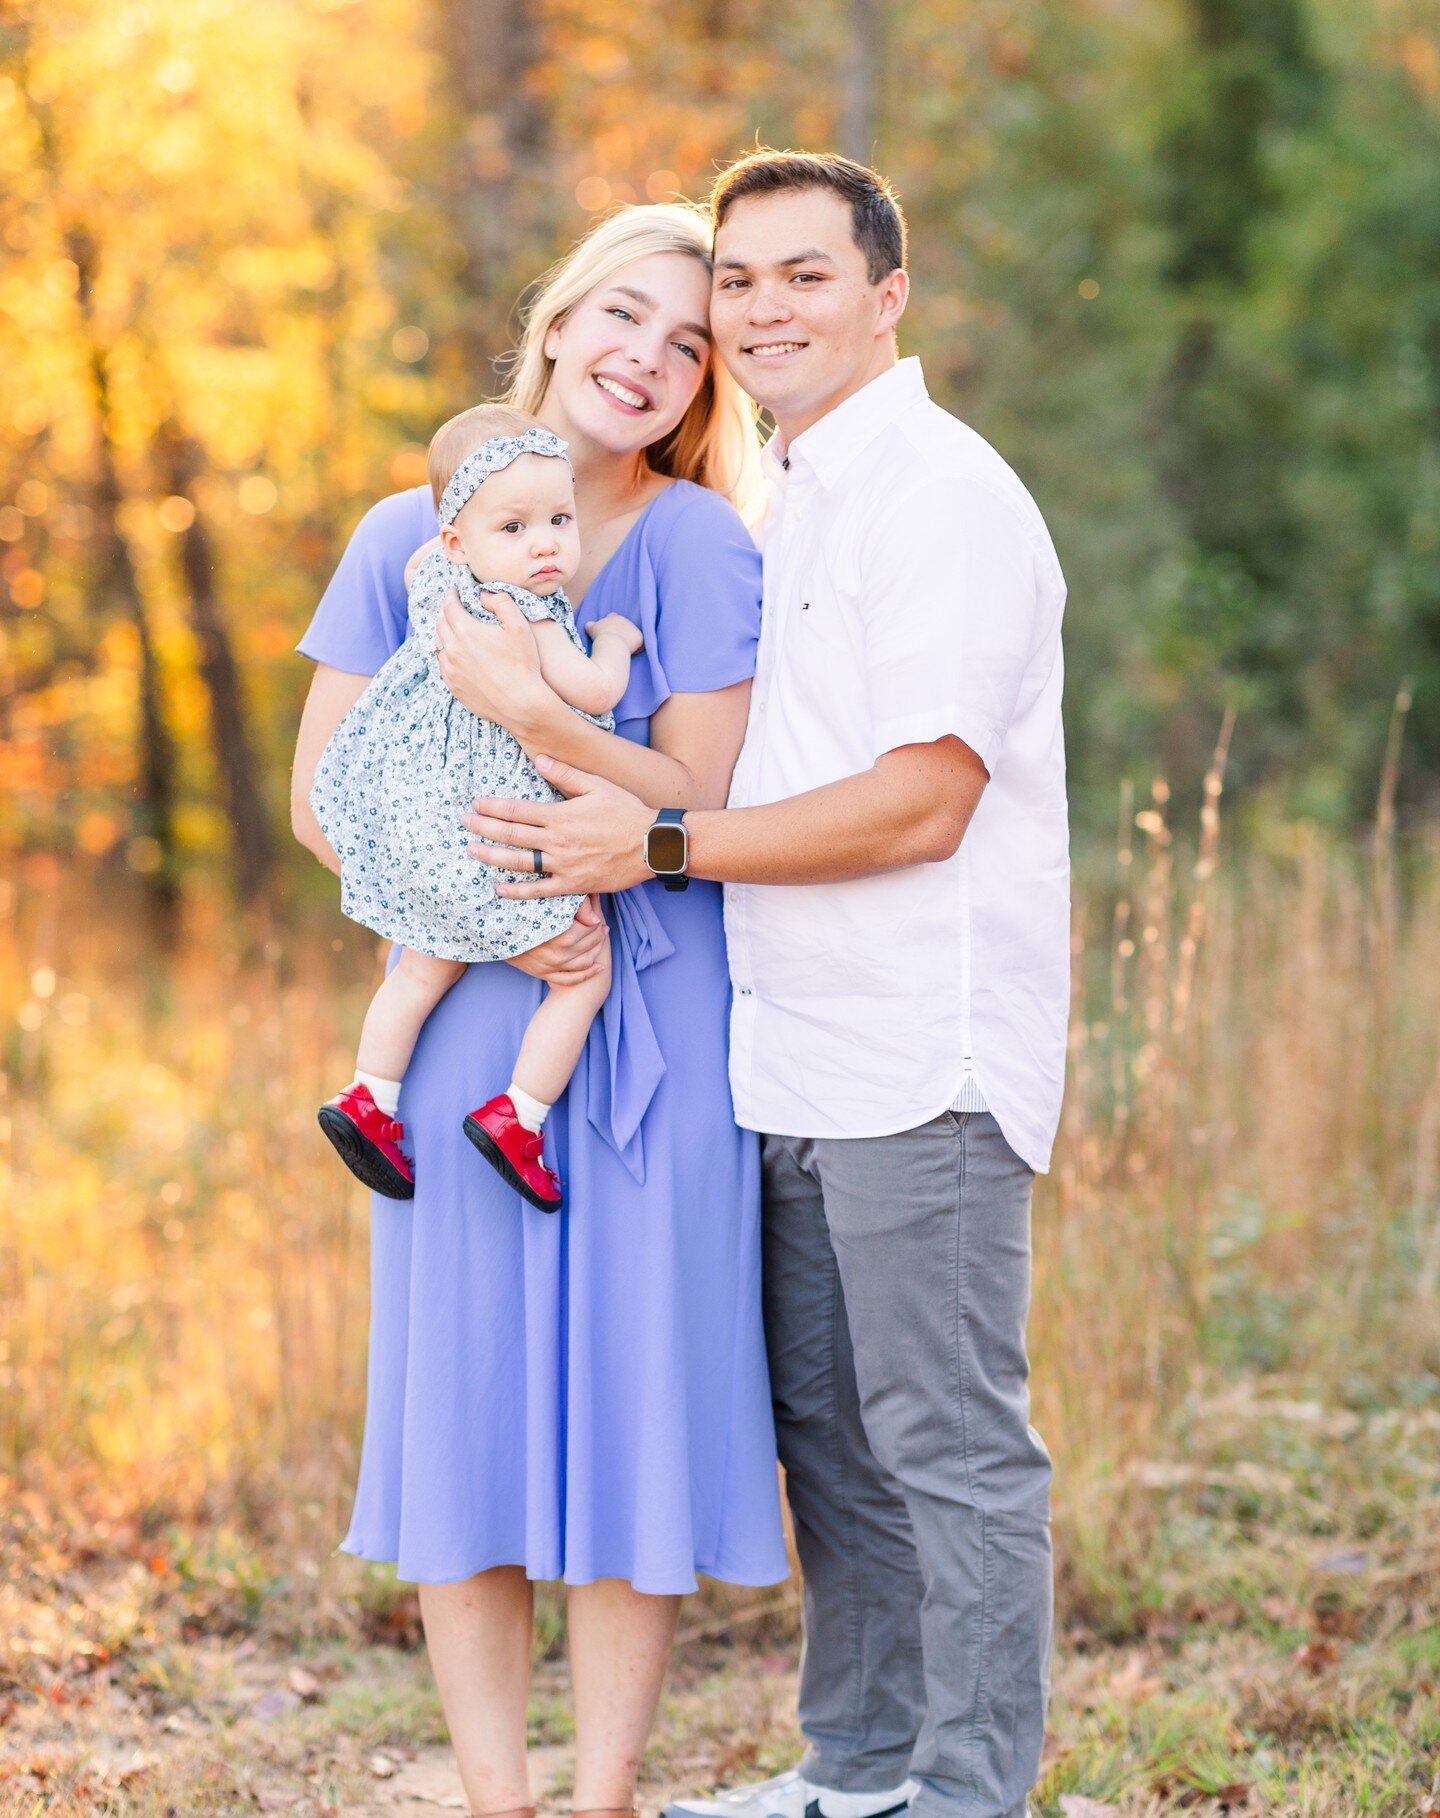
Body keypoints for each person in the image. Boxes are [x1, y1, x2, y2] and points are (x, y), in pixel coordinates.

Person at [463, 152, 1070, 1818]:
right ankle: (862, 1763)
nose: (762, 307)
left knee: (946, 1440)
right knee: (837, 1441)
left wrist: (657, 845)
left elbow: (925, 799)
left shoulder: (938, 494)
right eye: (742, 280)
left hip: (919, 1048)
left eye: (807, 274)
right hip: (786, 1048)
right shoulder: (791, 501)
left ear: (888, 296)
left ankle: (968, 1788)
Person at [290, 203, 789, 1818]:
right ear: (561, 321)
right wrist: (489, 911)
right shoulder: (403, 537)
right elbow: (322, 800)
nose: (650, 355)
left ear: (706, 381)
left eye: (691, 339)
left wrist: (526, 710)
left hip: (657, 1021)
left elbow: (699, 798)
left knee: (635, 1399)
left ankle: (604, 1797)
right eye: (625, 316)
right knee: (471, 1410)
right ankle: (498, 1795)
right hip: (464, 1022)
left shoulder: (704, 544)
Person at [310, 403, 645, 1211]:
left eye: (559, 519)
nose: (543, 544)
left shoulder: (434, 580)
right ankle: (519, 1117)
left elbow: (435, 546)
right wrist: (617, 643)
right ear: (463, 540)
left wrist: (474, 533)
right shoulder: (529, 612)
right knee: (585, 976)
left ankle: (368, 1094)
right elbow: (595, 691)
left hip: (430, 830)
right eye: (515, 526)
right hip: (501, 831)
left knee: (422, 966)